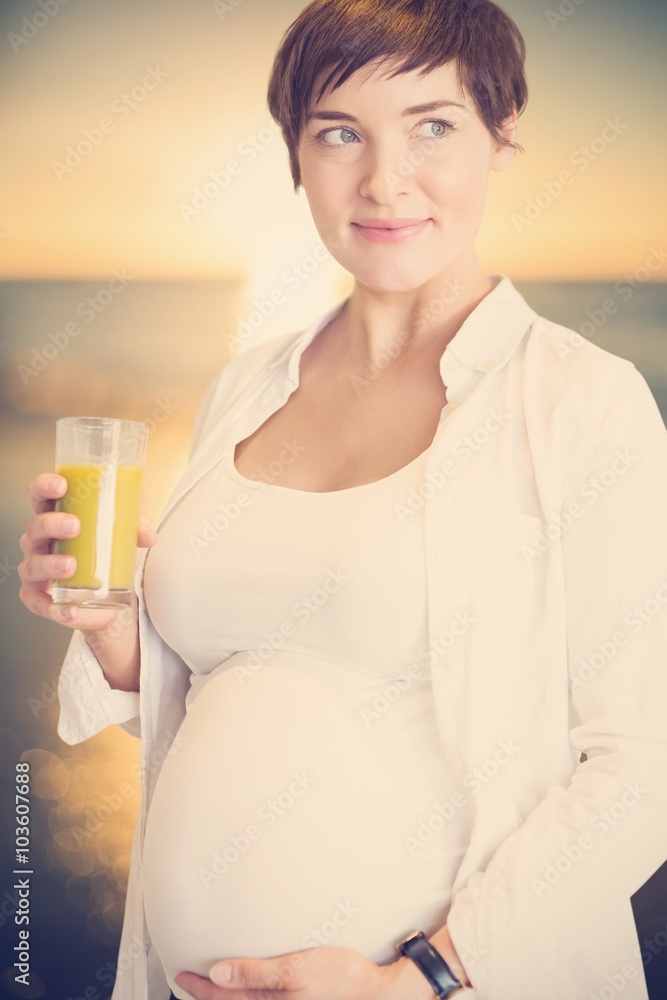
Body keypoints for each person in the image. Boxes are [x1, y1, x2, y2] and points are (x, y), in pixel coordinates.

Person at [18, 1, 667, 998]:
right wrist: (112, 629)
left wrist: (419, 980)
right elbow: (232, 684)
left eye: (432, 126)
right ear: (296, 155)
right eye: (338, 133)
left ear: (499, 136)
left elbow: (640, 775)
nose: (383, 180)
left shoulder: (582, 404)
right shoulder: (250, 382)